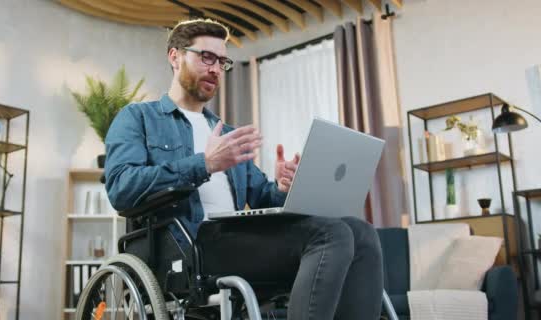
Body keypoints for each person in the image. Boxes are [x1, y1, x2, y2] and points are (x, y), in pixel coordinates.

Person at [104, 18, 383, 320]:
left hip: (239, 238)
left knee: (361, 232)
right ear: (175, 56)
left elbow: (264, 197)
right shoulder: (138, 118)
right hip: (191, 248)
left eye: (221, 62)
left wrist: (282, 188)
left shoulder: (226, 133)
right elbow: (121, 188)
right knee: (331, 234)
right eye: (206, 57)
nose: (215, 69)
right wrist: (204, 164)